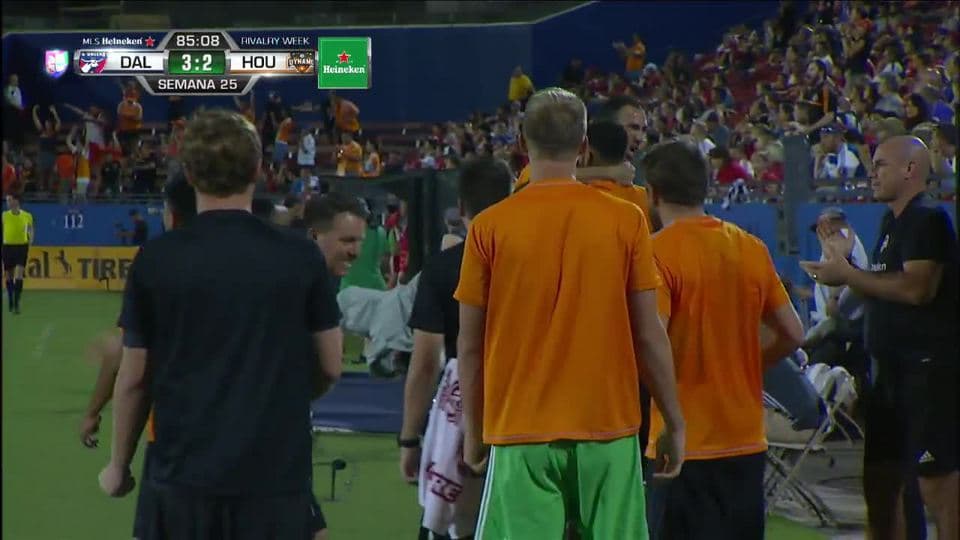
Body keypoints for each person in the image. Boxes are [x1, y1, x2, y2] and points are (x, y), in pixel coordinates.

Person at [99, 110, 344, 540]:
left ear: (189, 173)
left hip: (180, 478)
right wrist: (276, 401)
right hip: (275, 477)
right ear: (258, 169)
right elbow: (329, 365)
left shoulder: (156, 260)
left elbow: (135, 378)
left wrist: (118, 466)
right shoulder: (301, 256)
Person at [455, 88, 685, 538]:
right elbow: (648, 333)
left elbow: (470, 345)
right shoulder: (627, 220)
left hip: (521, 428)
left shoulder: (488, 227)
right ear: (584, 146)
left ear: (521, 143)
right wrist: (672, 421)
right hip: (608, 427)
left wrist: (474, 429)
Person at [640, 141, 804, 540]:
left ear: (653, 193)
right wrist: (749, 365)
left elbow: (651, 340)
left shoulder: (655, 253)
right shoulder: (750, 248)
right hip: (745, 438)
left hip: (682, 442)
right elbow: (793, 332)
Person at [801, 136, 958, 540]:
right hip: (888, 374)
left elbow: (917, 289)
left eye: (882, 164)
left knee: (936, 485)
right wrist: (844, 268)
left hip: (926, 375)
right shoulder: (892, 223)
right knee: (886, 487)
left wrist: (848, 274)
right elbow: (881, 286)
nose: (872, 173)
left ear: (910, 169)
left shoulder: (927, 219)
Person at [399, 157, 512, 540]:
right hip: (523, 411)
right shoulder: (534, 261)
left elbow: (425, 362)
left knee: (451, 524)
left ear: (461, 207)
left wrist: (409, 437)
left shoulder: (444, 267)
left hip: (461, 415)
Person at [79, 176, 197, 540]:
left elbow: (126, 362)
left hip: (177, 438)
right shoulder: (258, 257)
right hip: (252, 441)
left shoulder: (157, 260)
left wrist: (94, 416)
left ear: (172, 214)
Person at [512, 95, 645, 193]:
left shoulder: (644, 176)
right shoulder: (539, 172)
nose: (640, 137)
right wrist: (607, 172)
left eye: (643, 130)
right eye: (633, 127)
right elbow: (536, 176)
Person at [2, 192, 33, 314]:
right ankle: (10, 298)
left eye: (9, 200)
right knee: (9, 275)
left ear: (16, 201)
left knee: (19, 273)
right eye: (7, 200)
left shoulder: (27, 215)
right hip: (8, 247)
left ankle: (16, 301)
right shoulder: (4, 215)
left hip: (21, 247)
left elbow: (30, 228)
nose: (7, 203)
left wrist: (31, 240)